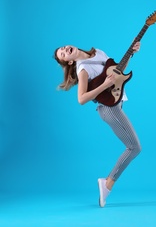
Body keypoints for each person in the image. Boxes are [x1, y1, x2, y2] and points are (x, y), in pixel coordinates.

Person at [54, 42, 141, 207]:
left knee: (133, 147)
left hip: (116, 102)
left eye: (64, 48)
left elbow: (118, 71)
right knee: (134, 147)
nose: (65, 50)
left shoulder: (98, 52)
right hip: (108, 109)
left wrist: (131, 53)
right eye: (63, 55)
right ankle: (108, 183)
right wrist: (105, 85)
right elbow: (81, 99)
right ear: (70, 62)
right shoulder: (83, 69)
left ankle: (108, 183)